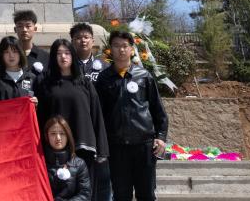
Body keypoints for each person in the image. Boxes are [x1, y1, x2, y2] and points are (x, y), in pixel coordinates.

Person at [95, 31, 168, 201]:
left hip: (144, 146)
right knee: (121, 195)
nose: (121, 50)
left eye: (125, 46)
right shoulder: (104, 79)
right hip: (116, 147)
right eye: (116, 46)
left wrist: (161, 137)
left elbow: (158, 110)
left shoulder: (144, 76)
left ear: (131, 49)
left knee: (146, 194)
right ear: (110, 49)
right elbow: (99, 114)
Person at [36, 39, 109, 201]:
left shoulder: (84, 82)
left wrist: (102, 149)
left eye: (67, 53)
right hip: (56, 150)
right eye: (58, 53)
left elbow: (96, 115)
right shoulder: (46, 84)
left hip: (83, 147)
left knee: (84, 194)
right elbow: (40, 118)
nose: (63, 57)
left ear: (73, 56)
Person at [70, 23, 112, 201]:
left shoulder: (104, 67)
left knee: (100, 179)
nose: (82, 41)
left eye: (86, 37)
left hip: (99, 127)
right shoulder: (67, 67)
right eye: (78, 38)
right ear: (72, 41)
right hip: (75, 128)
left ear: (92, 41)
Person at [43, 115, 92, 201]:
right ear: (47, 136)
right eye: (53, 133)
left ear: (68, 136)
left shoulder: (79, 164)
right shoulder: (39, 163)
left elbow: (85, 194)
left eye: (62, 133)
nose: (58, 138)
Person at [0, 36, 37, 104]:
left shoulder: (31, 78)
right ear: (1, 55)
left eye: (15, 51)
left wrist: (36, 102)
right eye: (6, 52)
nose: (11, 56)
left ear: (20, 53)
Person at [14, 9, 49, 75]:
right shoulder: (9, 56)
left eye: (28, 26)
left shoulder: (45, 57)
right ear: (15, 29)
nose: (24, 30)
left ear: (35, 29)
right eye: (20, 26)